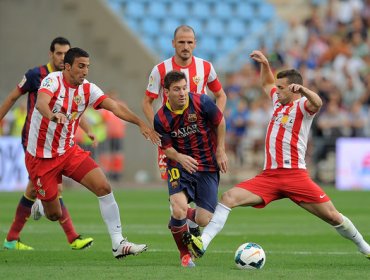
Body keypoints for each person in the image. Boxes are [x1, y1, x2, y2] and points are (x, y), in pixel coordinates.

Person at [184, 50, 370, 261]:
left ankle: (364, 246)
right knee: (228, 198)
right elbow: (266, 83)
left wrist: (304, 90)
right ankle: (202, 244)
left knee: (333, 216)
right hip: (270, 177)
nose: (276, 91)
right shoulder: (278, 102)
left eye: (281, 88)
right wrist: (264, 64)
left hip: (295, 176)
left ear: (294, 88)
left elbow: (318, 103)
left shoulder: (302, 106)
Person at [26, 47, 159, 259]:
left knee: (104, 186)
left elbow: (114, 107)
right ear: (67, 67)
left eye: (87, 66)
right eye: (81, 66)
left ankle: (118, 243)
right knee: (54, 214)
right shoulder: (52, 81)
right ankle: (42, 203)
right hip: (41, 157)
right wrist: (52, 116)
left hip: (68, 151)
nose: (85, 71)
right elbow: (41, 103)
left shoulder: (87, 89)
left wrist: (140, 123)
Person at [1, 37, 94, 250]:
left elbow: (75, 108)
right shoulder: (36, 75)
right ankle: (72, 237)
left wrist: (87, 129)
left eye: (65, 54)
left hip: (60, 145)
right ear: (51, 54)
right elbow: (12, 97)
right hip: (36, 143)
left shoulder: (72, 79)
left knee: (35, 189)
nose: (62, 58)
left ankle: (12, 239)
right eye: (59, 53)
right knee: (49, 189)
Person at [142, 25, 227, 237]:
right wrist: (155, 128)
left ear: (195, 44)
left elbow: (221, 95)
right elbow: (147, 101)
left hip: (201, 139)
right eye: (181, 42)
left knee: (203, 208)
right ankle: (182, 218)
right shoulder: (160, 70)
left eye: (190, 42)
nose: (186, 46)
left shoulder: (206, 67)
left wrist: (215, 122)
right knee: (176, 196)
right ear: (173, 44)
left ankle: (188, 220)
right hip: (175, 140)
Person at [153, 70, 228, 267]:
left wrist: (220, 150)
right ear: (166, 92)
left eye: (184, 88)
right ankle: (185, 255)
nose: (182, 92)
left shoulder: (202, 102)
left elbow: (220, 122)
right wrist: (179, 157)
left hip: (207, 165)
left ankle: (180, 219)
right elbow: (167, 148)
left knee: (204, 219)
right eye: (177, 89)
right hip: (179, 165)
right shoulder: (161, 118)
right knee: (178, 208)